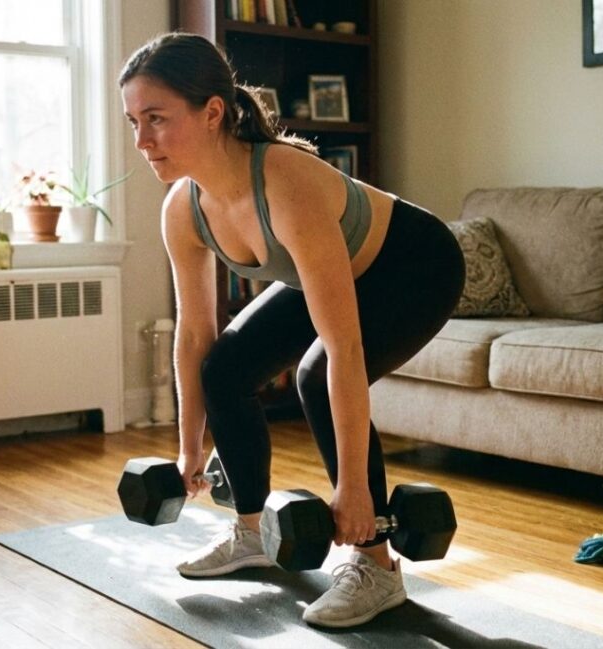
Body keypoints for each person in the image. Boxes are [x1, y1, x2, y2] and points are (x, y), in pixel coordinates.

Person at [119, 32, 465, 628]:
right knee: (225, 367)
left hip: (414, 265)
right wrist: (188, 447)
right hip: (332, 270)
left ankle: (376, 566)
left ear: (212, 112)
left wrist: (353, 490)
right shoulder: (184, 207)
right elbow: (195, 333)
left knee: (317, 372)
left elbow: (343, 346)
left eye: (156, 119)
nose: (141, 141)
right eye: (132, 121)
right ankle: (252, 533)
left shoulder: (285, 180)